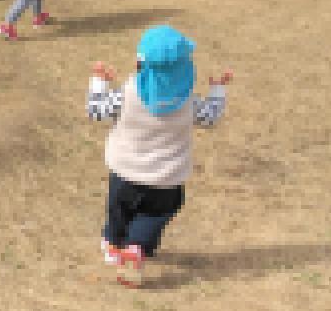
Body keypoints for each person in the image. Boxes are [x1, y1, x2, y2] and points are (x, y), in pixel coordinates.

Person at [86, 26, 232, 287]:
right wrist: (218, 91)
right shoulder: (189, 102)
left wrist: (100, 82)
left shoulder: (126, 94)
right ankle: (136, 248)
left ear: (139, 64)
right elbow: (210, 117)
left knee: (119, 210)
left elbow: (96, 111)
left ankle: (113, 246)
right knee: (154, 215)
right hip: (166, 179)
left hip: (125, 173)